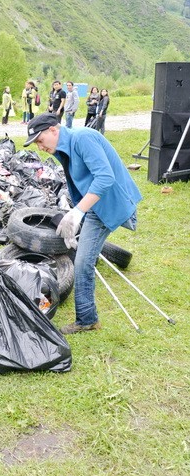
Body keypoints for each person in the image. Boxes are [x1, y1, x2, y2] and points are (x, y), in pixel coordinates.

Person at [23, 113, 142, 335]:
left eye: (40, 140)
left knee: (83, 262)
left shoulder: (82, 138)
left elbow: (105, 177)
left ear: (53, 130)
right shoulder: (62, 148)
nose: (40, 147)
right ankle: (88, 318)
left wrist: (78, 212)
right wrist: (77, 214)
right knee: (82, 256)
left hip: (106, 204)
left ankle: (87, 320)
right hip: (92, 205)